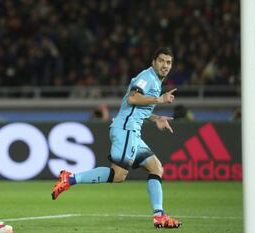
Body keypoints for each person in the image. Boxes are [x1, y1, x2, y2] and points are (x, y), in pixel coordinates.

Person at [51, 47, 182, 228]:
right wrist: (159, 100)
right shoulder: (148, 77)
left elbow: (137, 110)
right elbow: (133, 99)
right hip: (126, 130)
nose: (165, 65)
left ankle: (159, 215)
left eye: (168, 62)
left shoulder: (155, 81)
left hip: (130, 131)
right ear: (153, 62)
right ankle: (70, 178)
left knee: (152, 168)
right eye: (161, 61)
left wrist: (156, 118)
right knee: (123, 174)